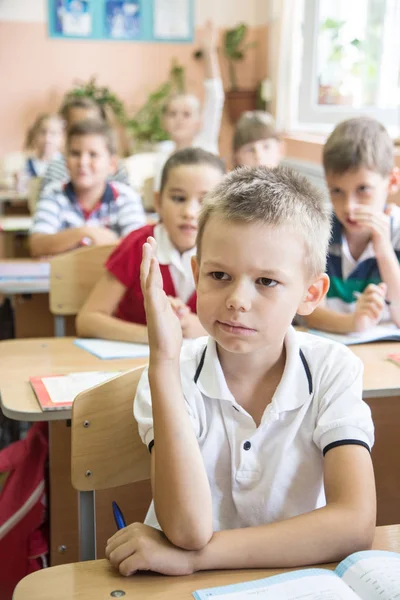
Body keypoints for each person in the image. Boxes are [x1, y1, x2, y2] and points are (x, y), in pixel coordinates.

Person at [106, 166, 375, 576]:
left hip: (294, 583)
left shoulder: (333, 370)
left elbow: (355, 525)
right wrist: (161, 360)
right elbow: (187, 530)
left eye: (266, 281)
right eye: (219, 275)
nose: (237, 300)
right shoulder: (170, 373)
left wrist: (195, 559)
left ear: (311, 294)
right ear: (196, 274)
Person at [76, 148, 226, 343]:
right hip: (134, 366)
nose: (190, 212)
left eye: (204, 201)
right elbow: (87, 320)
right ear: (158, 201)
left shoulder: (229, 255)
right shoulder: (138, 245)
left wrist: (206, 329)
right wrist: (156, 334)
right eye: (178, 198)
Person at [304, 117, 400, 334]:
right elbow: (307, 311)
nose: (349, 207)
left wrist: (384, 251)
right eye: (337, 191)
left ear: (392, 181)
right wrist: (353, 323)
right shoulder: (318, 228)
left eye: (363, 189)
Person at [29, 119, 145, 257]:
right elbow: (37, 244)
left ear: (112, 164)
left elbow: (138, 246)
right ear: (65, 162)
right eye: (75, 154)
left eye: (93, 154)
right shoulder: (53, 194)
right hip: (64, 277)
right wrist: (85, 232)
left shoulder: (125, 196)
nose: (83, 162)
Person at [153, 20, 224, 192]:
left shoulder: (205, 143)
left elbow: (215, 96)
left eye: (186, 114)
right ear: (164, 121)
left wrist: (209, 52)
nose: (178, 119)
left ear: (198, 121)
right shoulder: (163, 156)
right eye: (172, 114)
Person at [40, 96, 128, 192]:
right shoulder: (55, 169)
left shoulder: (116, 169)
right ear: (65, 130)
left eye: (91, 127)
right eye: (77, 129)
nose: (84, 136)